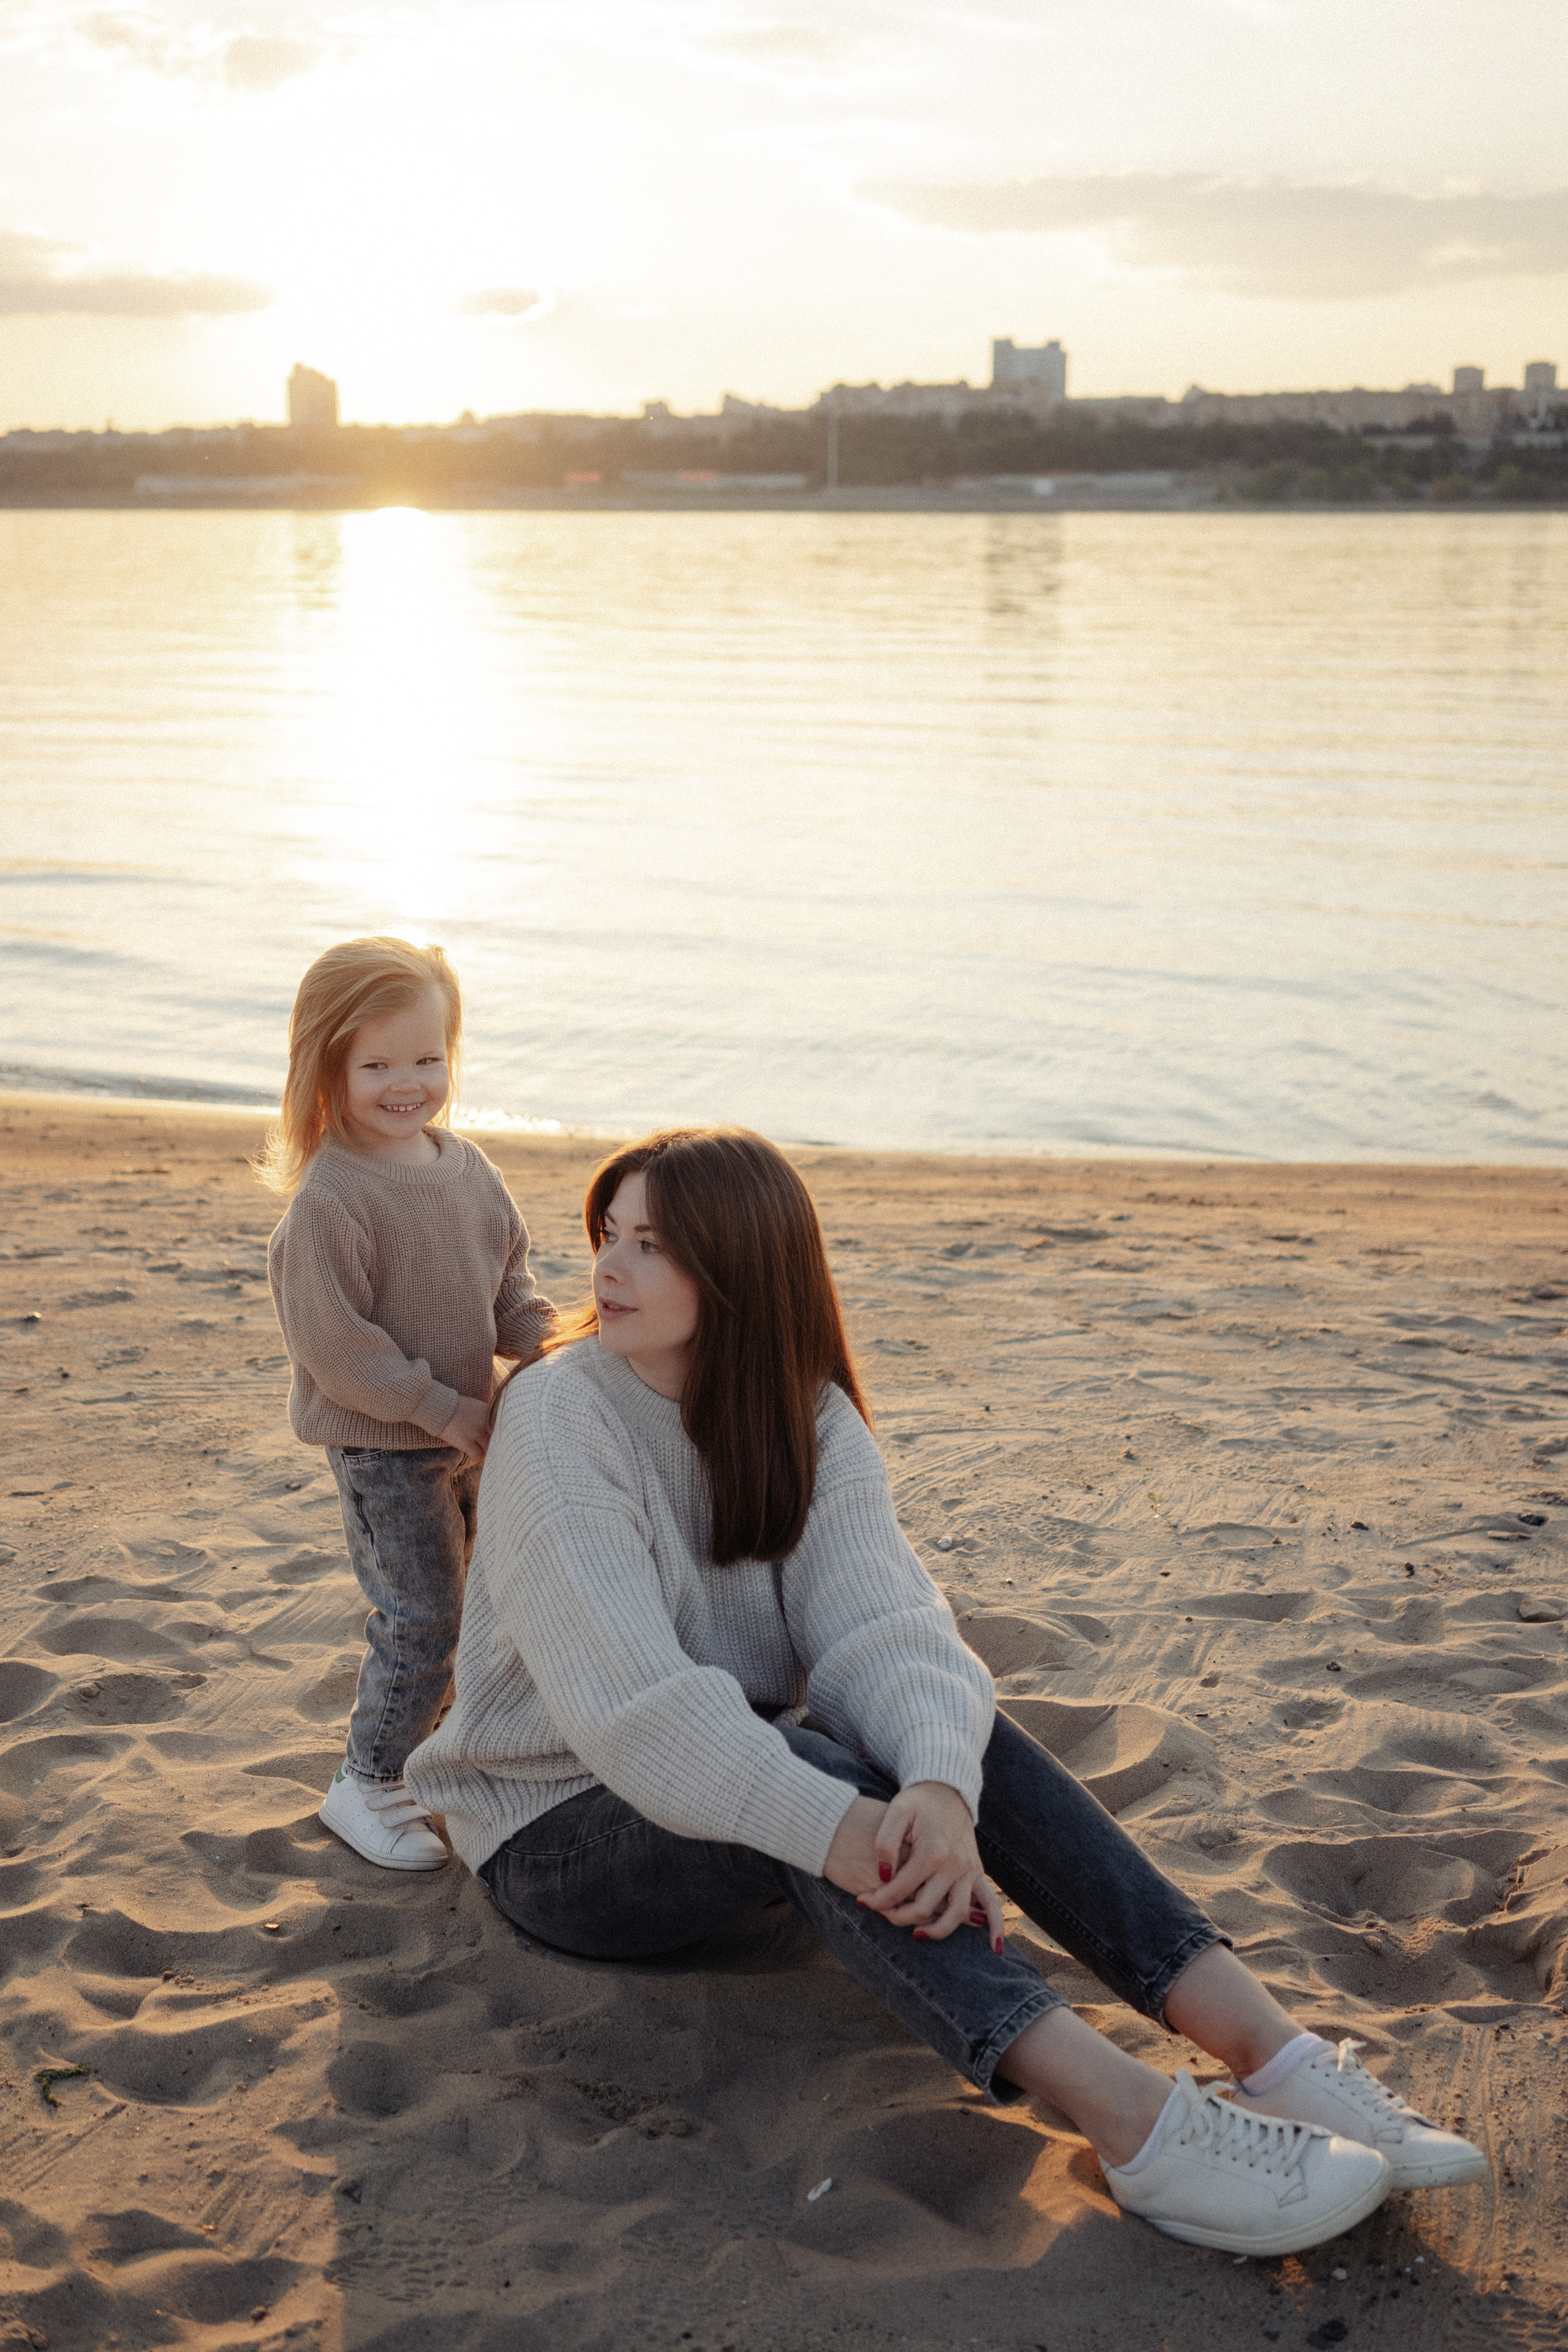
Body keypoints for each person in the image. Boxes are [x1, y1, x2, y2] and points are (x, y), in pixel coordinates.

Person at [405, 1128, 1485, 2255]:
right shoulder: (556, 1413)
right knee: (810, 1775)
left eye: (653, 1246)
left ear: (741, 1269)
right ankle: (1134, 2125)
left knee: (969, 1737)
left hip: (715, 1787)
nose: (609, 1271)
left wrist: (936, 1789)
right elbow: (637, 1710)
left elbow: (883, 1623)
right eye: (607, 1238)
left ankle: (1273, 2055)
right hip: (556, 1834)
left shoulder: (801, 1410)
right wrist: (840, 1820)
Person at [262, 936, 554, 1871]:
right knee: (422, 1617)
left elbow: (506, 1284)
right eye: (377, 1064)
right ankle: (366, 1778)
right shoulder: (332, 1201)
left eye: (428, 1059)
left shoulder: (465, 1168)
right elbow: (339, 1351)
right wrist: (438, 1409)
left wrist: (548, 1347)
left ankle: (458, 1760)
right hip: (388, 1448)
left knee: (482, 1608)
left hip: (469, 1432)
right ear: (327, 1068)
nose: (408, 1083)